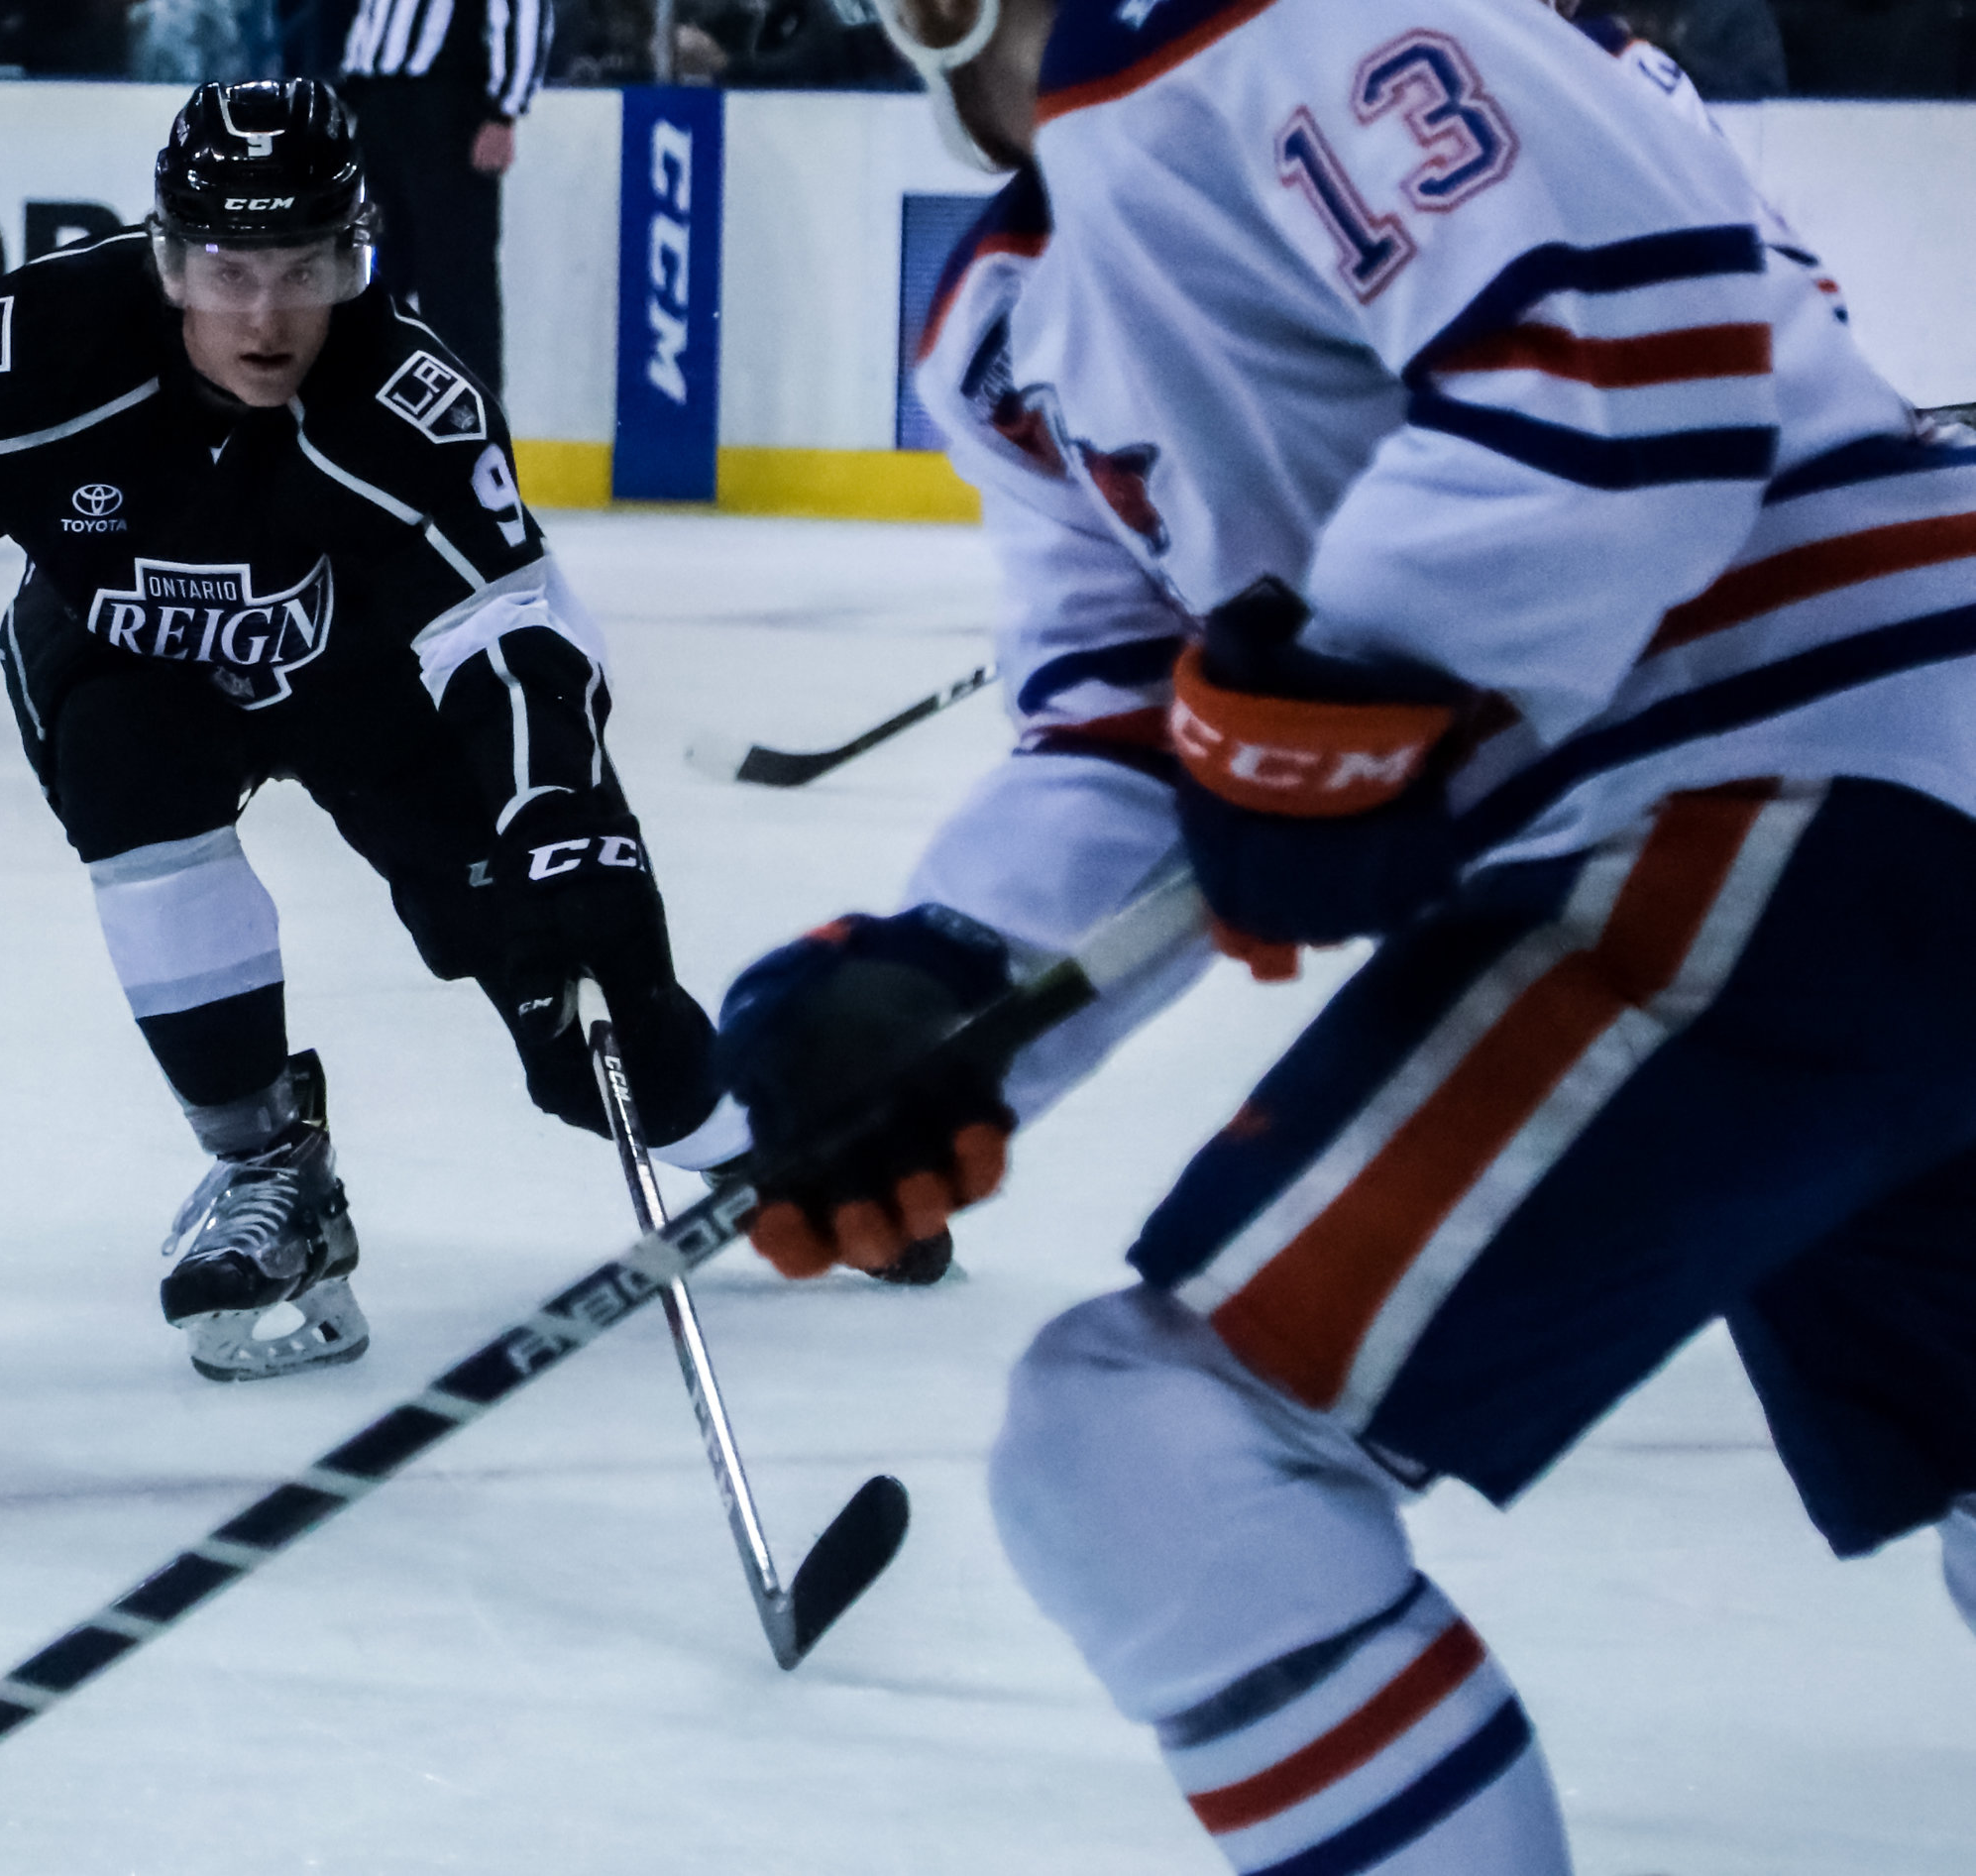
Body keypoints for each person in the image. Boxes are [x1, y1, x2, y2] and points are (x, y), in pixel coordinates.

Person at [713, 0, 1976, 1866]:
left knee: (1150, 1450)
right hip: (1841, 812)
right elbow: (1143, 718)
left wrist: (1375, 673)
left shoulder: (1276, 18)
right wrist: (949, 980)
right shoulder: (1007, 311)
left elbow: (1633, 341)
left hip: (1798, 789)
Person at [0, 78, 738, 1381]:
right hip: (129, 671)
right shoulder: (43, 346)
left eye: (305, 266)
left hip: (377, 700)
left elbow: (511, 629)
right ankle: (267, 1167)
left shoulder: (407, 401)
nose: (264, 316)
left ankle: (775, 1152)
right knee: (124, 762)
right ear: (171, 257)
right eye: (229, 268)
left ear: (357, 254)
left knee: (583, 1025)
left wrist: (562, 819)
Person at [328, 0, 555, 394]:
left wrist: (504, 110)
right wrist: (351, 88)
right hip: (378, 113)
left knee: (455, 284)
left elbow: (524, 9)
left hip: (446, 114)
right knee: (361, 271)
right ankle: (353, 416)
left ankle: (470, 432)